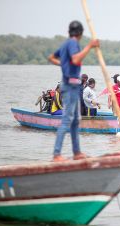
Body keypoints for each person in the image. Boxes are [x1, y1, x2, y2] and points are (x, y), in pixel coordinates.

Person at [48, 20, 99, 162]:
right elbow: (76, 59)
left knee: (76, 120)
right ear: (80, 33)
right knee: (67, 120)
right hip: (69, 86)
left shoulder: (65, 44)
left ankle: (77, 152)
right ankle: (56, 154)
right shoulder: (72, 43)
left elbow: (51, 58)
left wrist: (64, 65)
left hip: (74, 86)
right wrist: (90, 46)